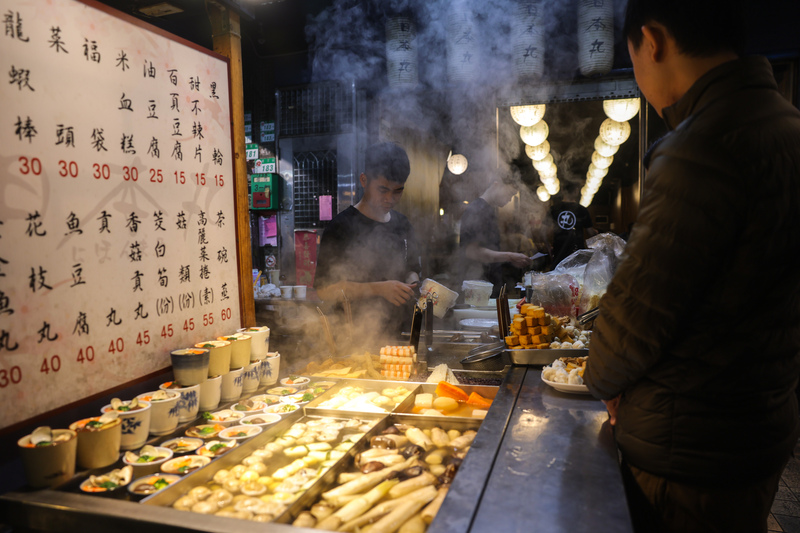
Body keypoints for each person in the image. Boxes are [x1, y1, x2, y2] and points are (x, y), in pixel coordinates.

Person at [583, 1, 800, 532]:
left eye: (632, 58)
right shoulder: (787, 126)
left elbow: (634, 323)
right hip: (759, 427)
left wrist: (602, 377)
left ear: (652, 42)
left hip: (688, 452)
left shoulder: (699, 147)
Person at [314, 142, 420, 339]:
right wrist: (378, 289)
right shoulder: (340, 227)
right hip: (352, 339)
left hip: (396, 335)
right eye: (383, 190)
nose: (390, 198)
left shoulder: (403, 224)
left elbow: (411, 269)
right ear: (364, 180)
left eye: (398, 191)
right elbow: (324, 290)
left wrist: (414, 283)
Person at [459, 174, 532, 298]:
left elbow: (489, 250)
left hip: (488, 287)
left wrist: (510, 260)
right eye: (509, 194)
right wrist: (510, 256)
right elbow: (471, 252)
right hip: (478, 289)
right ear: (496, 184)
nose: (509, 199)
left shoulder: (488, 210)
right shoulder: (477, 210)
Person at [547, 183, 596, 270]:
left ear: (562, 190)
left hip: (559, 250)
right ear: (577, 191)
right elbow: (590, 232)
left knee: (559, 277)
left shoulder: (553, 209)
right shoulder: (582, 210)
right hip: (576, 251)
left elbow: (544, 231)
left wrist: (548, 247)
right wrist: (597, 233)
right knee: (577, 278)